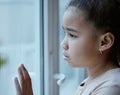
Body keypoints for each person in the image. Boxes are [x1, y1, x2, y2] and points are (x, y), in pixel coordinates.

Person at [14, 0, 120, 95]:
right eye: (65, 33)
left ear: (104, 42)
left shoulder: (111, 88)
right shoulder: (92, 81)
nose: (63, 44)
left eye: (72, 35)